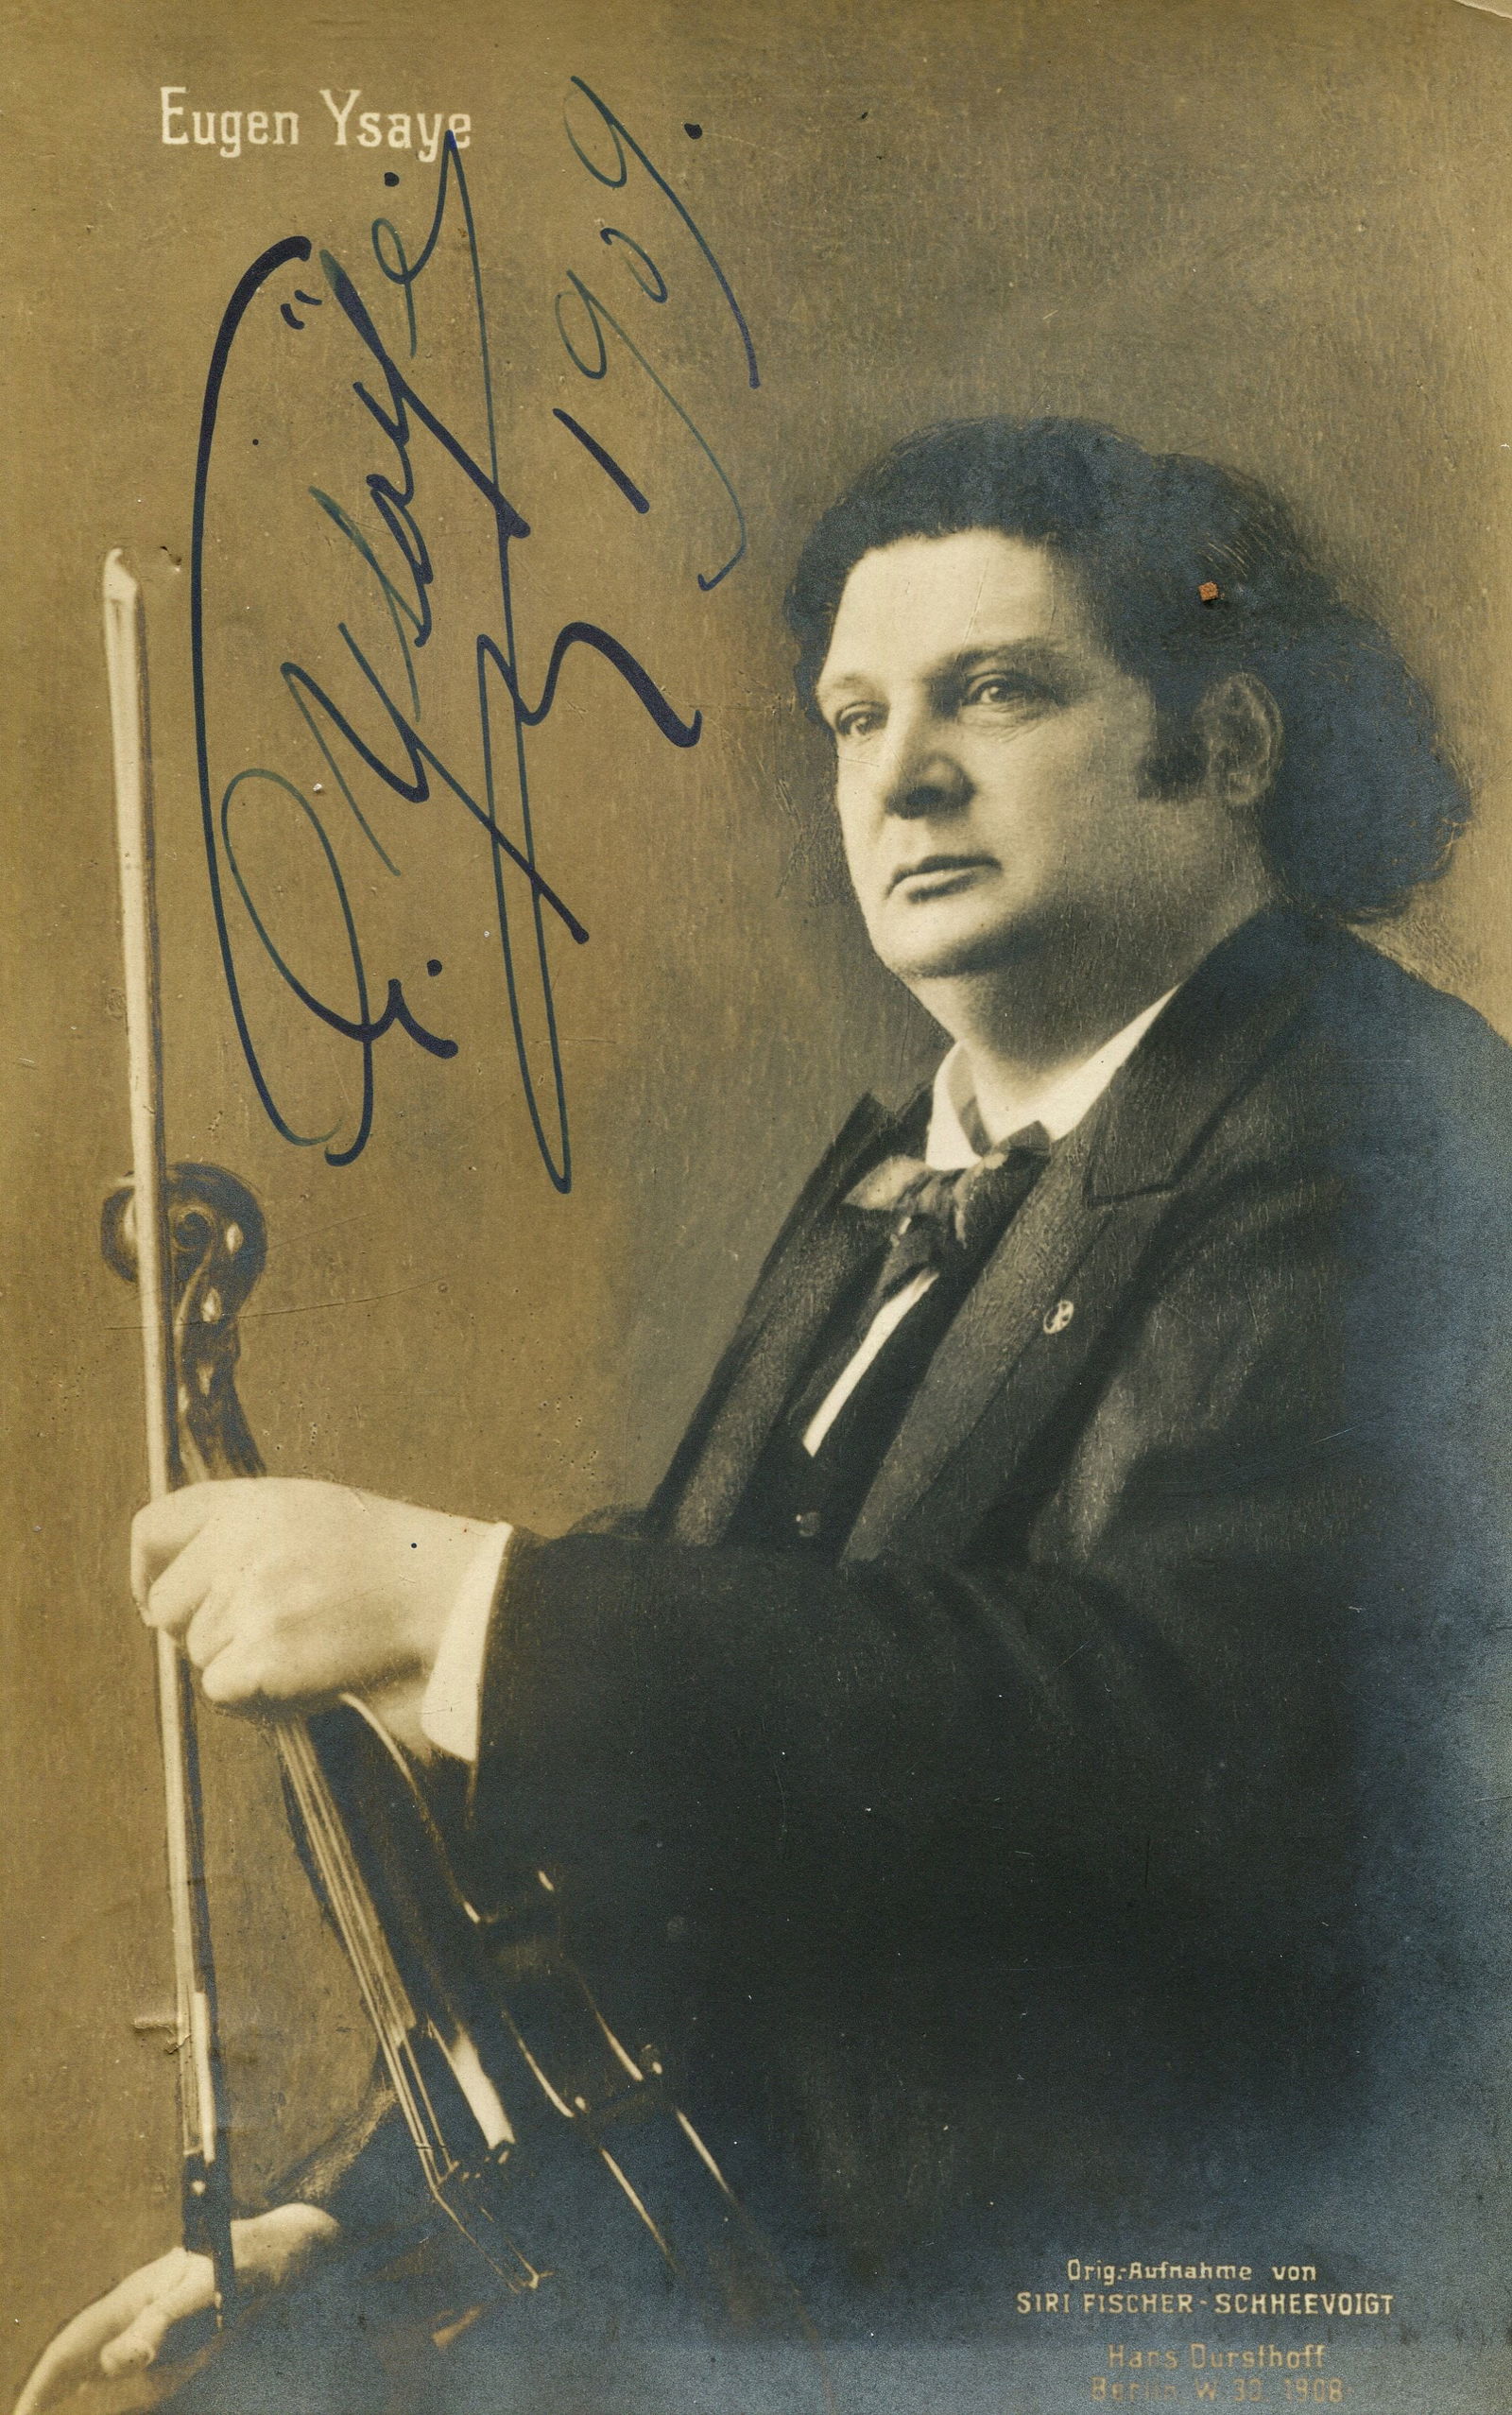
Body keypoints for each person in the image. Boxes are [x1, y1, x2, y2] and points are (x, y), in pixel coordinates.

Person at [20, 417, 1512, 2411]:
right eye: (855, 716)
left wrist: (468, 1609)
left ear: (1230, 745)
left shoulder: (1390, 1121)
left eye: (998, 690)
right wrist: (370, 2225)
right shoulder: (901, 1174)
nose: (900, 775)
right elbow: (722, 1833)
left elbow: (1196, 1734)